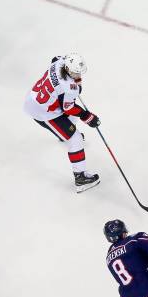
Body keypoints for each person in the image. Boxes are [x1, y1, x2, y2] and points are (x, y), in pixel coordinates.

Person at [23, 53, 102, 192]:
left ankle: (62, 135)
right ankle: (81, 178)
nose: (78, 75)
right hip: (43, 112)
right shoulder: (69, 87)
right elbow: (68, 108)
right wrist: (88, 117)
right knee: (75, 139)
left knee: (72, 115)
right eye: (76, 73)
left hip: (34, 98)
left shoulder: (59, 63)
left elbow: (55, 58)